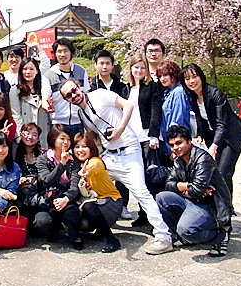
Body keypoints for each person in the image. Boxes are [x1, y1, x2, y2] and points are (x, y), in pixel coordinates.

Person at [59, 78, 174, 255]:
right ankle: (97, 226)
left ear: (79, 87)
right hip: (110, 155)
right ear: (66, 100)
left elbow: (128, 105)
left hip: (128, 149)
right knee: (90, 184)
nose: (73, 95)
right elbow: (93, 136)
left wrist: (120, 128)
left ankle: (163, 235)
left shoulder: (99, 95)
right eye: (68, 95)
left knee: (140, 192)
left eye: (74, 90)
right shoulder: (82, 114)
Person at [156, 125, 232, 257]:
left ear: (189, 141)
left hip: (210, 205)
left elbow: (197, 190)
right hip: (191, 200)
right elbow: (168, 184)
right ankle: (185, 238)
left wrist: (190, 188)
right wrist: (189, 186)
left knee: (186, 229)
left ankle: (220, 235)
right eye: (172, 145)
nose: (175, 148)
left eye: (179, 143)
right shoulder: (179, 160)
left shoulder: (203, 158)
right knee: (161, 198)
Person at [182, 63, 241, 202]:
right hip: (215, 135)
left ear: (201, 77)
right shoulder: (193, 96)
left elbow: (221, 123)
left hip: (231, 135)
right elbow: (201, 118)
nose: (191, 81)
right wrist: (200, 134)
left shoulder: (214, 93)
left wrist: (214, 146)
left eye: (194, 77)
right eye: (187, 79)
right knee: (215, 172)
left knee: (224, 172)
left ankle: (226, 209)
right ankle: (219, 206)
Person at [90, 49, 130, 219]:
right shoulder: (91, 88)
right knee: (102, 170)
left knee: (123, 171)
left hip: (120, 133)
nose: (105, 66)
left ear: (113, 65)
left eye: (108, 63)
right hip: (99, 135)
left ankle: (124, 204)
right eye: (101, 63)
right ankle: (104, 203)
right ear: (96, 66)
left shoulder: (122, 87)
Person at [125, 53, 164, 226]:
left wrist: (154, 134)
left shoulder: (152, 87)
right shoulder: (126, 88)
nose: (139, 70)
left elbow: (157, 111)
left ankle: (156, 214)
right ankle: (143, 213)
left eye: (142, 67)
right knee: (137, 177)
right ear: (131, 69)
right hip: (131, 138)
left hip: (147, 136)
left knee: (151, 176)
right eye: (136, 67)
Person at [34, 125, 83, 250]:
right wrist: (61, 164)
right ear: (53, 139)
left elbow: (74, 185)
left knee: (72, 212)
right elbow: (47, 181)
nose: (65, 142)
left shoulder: (74, 161)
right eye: (62, 138)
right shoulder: (43, 159)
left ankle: (75, 236)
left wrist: (65, 199)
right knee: (41, 222)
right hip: (49, 200)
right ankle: (54, 230)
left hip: (66, 200)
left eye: (68, 139)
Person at [73, 132, 123, 253]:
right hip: (99, 203)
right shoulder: (78, 164)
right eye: (77, 147)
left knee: (88, 206)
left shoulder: (95, 161)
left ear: (91, 148)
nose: (80, 150)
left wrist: (84, 174)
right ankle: (100, 230)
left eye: (84, 146)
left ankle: (112, 239)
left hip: (112, 203)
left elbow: (91, 169)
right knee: (83, 224)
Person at [41, 38, 90, 137]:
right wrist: (48, 106)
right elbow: (45, 99)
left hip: (80, 122)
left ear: (71, 53)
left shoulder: (81, 71)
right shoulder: (49, 75)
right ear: (55, 54)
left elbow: (87, 95)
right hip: (59, 124)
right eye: (59, 51)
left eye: (66, 51)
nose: (62, 55)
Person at [9, 57, 50, 149]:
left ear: (37, 71)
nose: (28, 72)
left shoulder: (44, 89)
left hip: (43, 133)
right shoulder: (15, 90)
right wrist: (22, 135)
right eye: (25, 69)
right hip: (25, 135)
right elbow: (16, 114)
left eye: (31, 69)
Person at [157, 60, 192, 145]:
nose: (162, 79)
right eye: (160, 76)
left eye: (165, 75)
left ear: (173, 74)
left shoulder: (178, 92)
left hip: (177, 141)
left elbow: (177, 120)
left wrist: (174, 145)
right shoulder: (167, 93)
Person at [14, 123, 43, 220]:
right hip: (20, 191)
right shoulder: (15, 153)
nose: (30, 137)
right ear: (21, 134)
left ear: (38, 139)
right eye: (27, 133)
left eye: (34, 135)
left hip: (38, 192)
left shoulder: (43, 155)